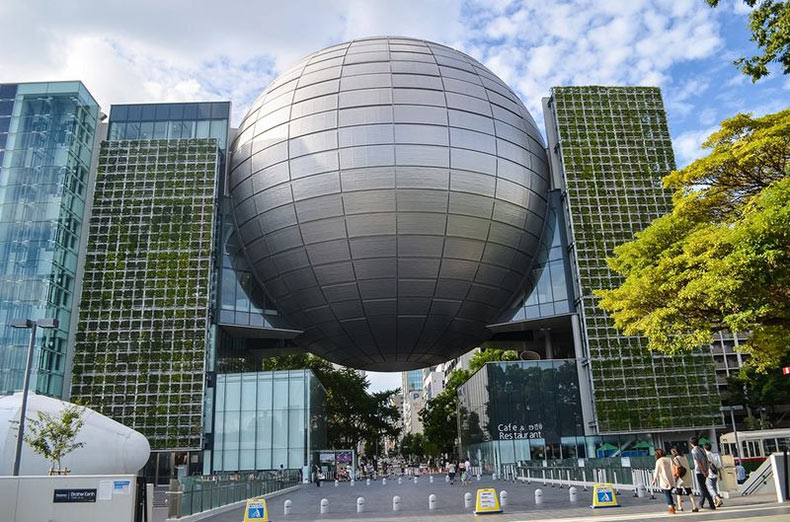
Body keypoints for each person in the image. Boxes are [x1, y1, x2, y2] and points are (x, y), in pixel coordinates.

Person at [670, 446, 698, 512]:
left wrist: (672, 461)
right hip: (687, 475)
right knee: (689, 491)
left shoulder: (676, 459)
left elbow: (676, 467)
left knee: (679, 492)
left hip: (680, 477)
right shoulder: (684, 457)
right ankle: (694, 506)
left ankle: (680, 507)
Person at [690, 437, 715, 510]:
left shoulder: (694, 451)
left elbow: (698, 462)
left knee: (703, 488)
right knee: (702, 487)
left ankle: (711, 503)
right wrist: (707, 470)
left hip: (699, 471)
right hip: (705, 469)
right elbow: (707, 460)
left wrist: (703, 471)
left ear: (691, 443)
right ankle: (701, 503)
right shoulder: (702, 449)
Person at [652, 449, 676, 514]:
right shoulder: (669, 459)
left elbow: (656, 471)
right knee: (669, 493)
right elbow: (674, 466)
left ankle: (671, 507)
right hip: (672, 478)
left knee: (667, 494)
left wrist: (654, 479)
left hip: (664, 479)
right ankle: (672, 504)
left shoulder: (659, 461)